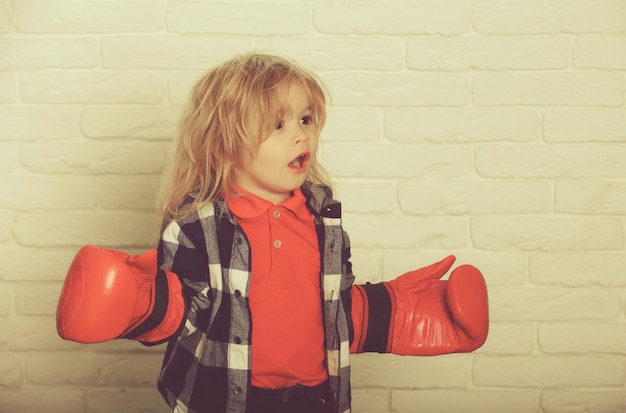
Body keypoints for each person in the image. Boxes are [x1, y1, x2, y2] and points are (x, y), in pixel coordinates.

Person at [56, 53, 489, 413]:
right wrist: (138, 299)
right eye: (278, 125)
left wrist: (406, 313)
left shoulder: (324, 224)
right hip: (226, 400)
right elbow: (184, 313)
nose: (301, 134)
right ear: (224, 142)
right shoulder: (198, 225)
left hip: (316, 400)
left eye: (305, 119)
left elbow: (331, 311)